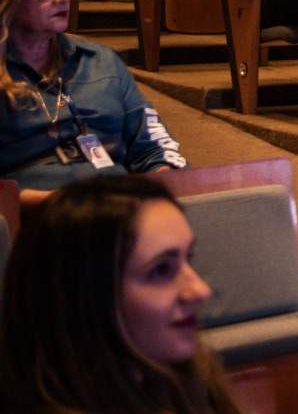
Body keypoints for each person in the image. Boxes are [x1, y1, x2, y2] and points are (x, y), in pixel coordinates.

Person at [0, 176, 245, 414]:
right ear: (84, 297)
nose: (201, 290)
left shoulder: (186, 384)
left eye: (188, 258)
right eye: (161, 270)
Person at [0, 0, 186, 196]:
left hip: (116, 206)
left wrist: (164, 177)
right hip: (30, 220)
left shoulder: (100, 60)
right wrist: (39, 203)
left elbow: (154, 144)